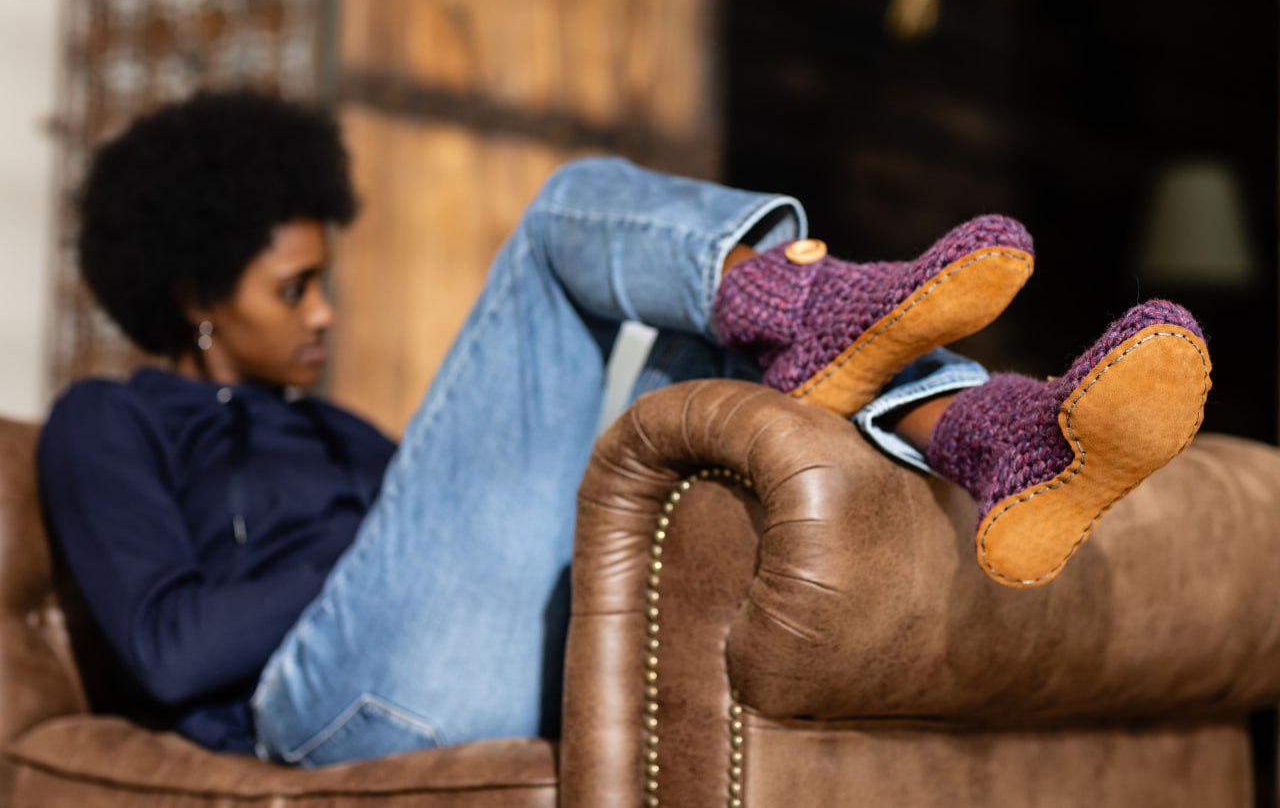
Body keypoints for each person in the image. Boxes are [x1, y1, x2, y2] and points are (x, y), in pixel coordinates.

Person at [37, 90, 1211, 767]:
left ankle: (996, 435)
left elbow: (452, 565)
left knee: (713, 348)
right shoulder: (109, 419)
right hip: (313, 712)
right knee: (562, 222)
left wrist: (396, 514)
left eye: (322, 279)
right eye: (293, 287)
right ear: (194, 294)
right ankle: (809, 311)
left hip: (470, 679)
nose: (327, 311)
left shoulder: (342, 433)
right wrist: (367, 543)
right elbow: (169, 643)